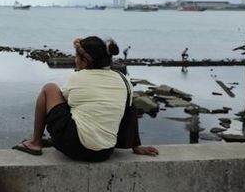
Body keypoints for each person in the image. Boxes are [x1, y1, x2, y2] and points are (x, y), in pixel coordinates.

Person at [12, 36, 158, 161]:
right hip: (105, 152)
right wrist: (136, 146)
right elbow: (129, 112)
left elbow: (62, 102)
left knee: (49, 89)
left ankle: (36, 142)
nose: (75, 61)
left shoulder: (77, 77)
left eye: (76, 57)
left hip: (75, 147)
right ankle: (135, 145)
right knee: (128, 104)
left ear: (85, 60)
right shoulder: (123, 79)